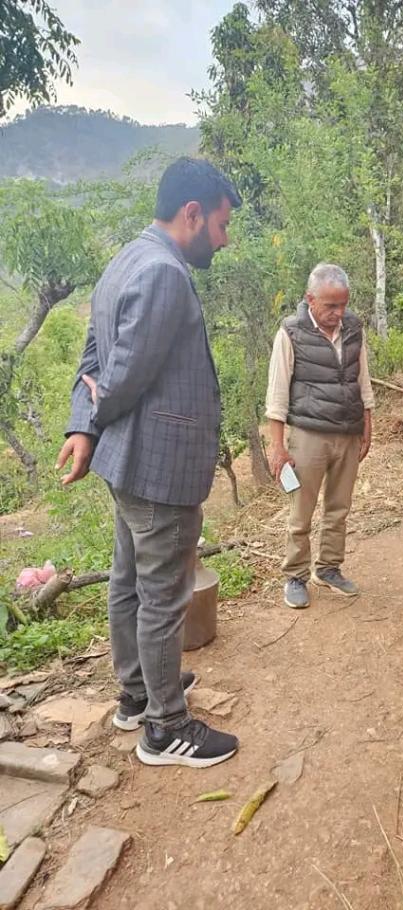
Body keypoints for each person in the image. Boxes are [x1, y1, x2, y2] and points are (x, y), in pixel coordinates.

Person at [56, 158, 242, 768]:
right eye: (220, 224)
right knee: (163, 596)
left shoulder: (125, 259)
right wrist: (96, 412)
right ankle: (165, 728)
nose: (223, 239)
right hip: (160, 467)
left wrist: (84, 425)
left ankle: (137, 693)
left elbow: (92, 358)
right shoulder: (164, 271)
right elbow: (123, 375)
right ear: (192, 214)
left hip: (129, 464)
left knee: (129, 581)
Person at [266, 264, 374, 609]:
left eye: (343, 304)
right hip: (308, 435)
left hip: (347, 432)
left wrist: (367, 423)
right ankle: (296, 575)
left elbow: (362, 379)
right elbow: (277, 394)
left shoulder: (354, 328)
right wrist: (277, 445)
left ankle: (328, 569)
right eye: (330, 306)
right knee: (301, 511)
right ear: (310, 299)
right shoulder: (290, 332)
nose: (338, 313)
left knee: (339, 508)